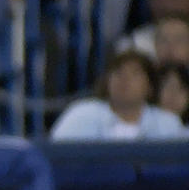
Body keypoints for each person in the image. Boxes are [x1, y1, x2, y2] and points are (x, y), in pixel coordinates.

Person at [50, 50, 185, 140]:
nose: (124, 79)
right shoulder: (81, 114)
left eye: (135, 74)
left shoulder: (167, 123)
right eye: (118, 72)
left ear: (150, 87)